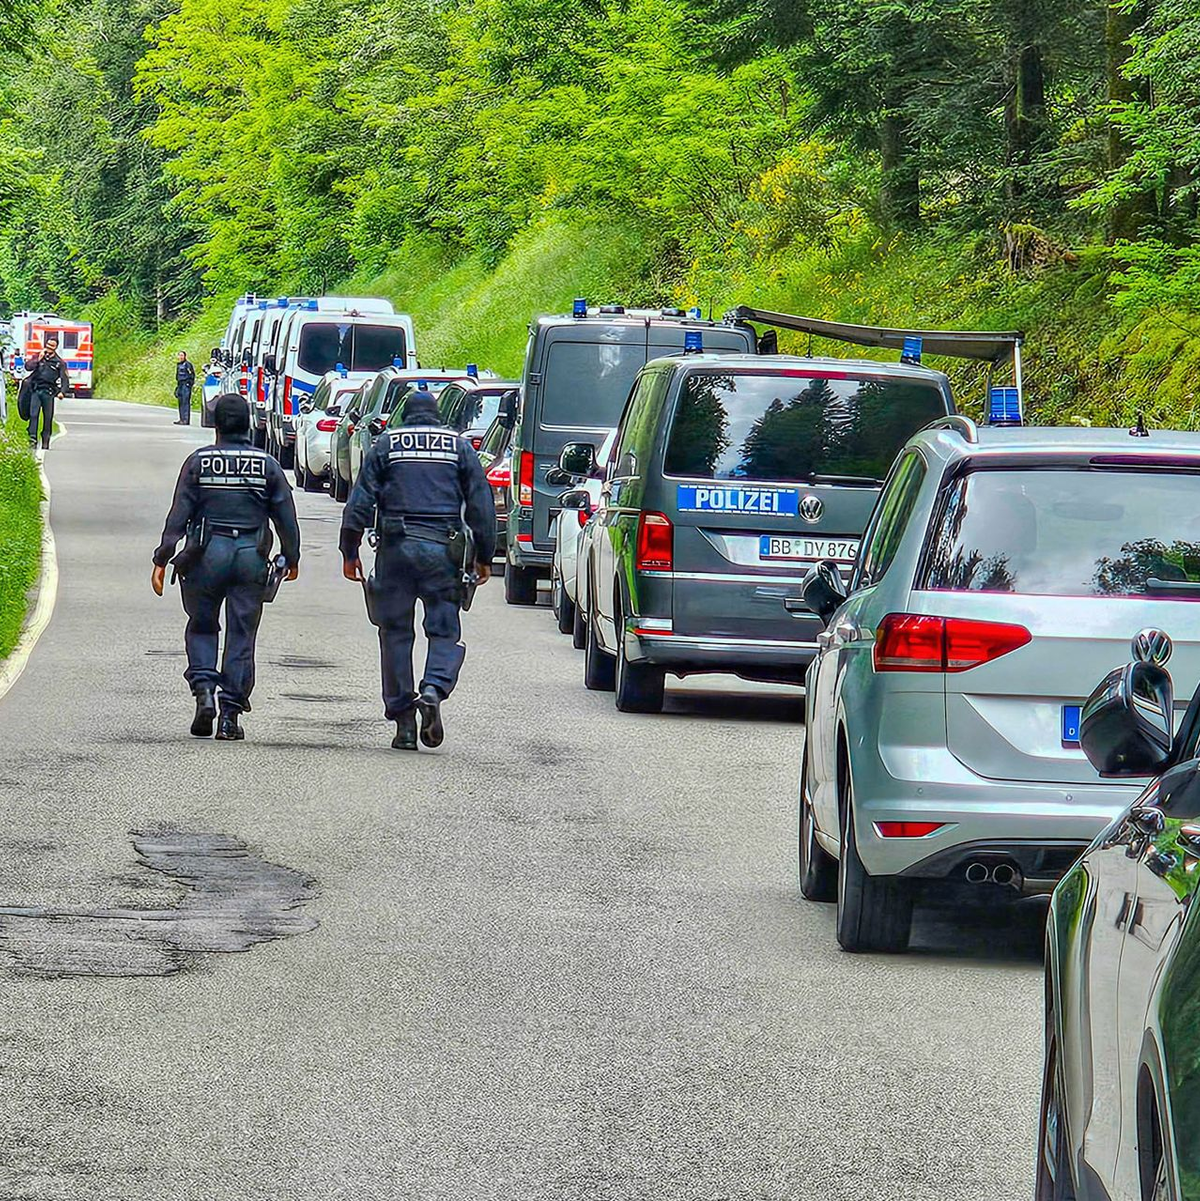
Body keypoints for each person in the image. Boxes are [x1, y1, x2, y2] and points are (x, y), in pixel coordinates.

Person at [340, 387, 495, 750]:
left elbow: (361, 498)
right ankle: (432, 689)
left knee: (395, 633)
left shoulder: (387, 443)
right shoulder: (458, 447)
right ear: (437, 415)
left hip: (395, 548)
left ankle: (404, 724)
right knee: (443, 630)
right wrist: (484, 555)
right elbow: (480, 504)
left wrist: (349, 548)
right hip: (444, 549)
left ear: (405, 415)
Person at [151, 392, 300, 741]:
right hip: (251, 556)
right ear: (249, 423)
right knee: (242, 634)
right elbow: (286, 517)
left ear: (215, 425)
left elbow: (179, 514)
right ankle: (230, 715)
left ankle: (204, 689)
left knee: (203, 626)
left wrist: (162, 557)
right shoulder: (268, 465)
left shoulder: (198, 462)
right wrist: (291, 557)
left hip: (205, 556)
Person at [25, 335, 70, 460]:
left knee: (48, 417)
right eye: (48, 345)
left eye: (52, 346)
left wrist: (63, 392)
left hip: (49, 392)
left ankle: (46, 439)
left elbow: (64, 379)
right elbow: (28, 367)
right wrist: (37, 360)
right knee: (33, 415)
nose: (49, 348)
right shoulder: (38, 357)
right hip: (36, 390)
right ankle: (32, 439)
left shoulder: (59, 362)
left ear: (56, 348)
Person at [174, 351, 196, 425]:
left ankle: (186, 420)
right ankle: (181, 419)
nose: (180, 357)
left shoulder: (188, 365)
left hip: (186, 385)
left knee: (185, 402)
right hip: (180, 384)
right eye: (179, 355)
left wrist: (189, 384)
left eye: (182, 355)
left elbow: (192, 375)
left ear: (185, 356)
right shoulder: (179, 365)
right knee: (180, 402)